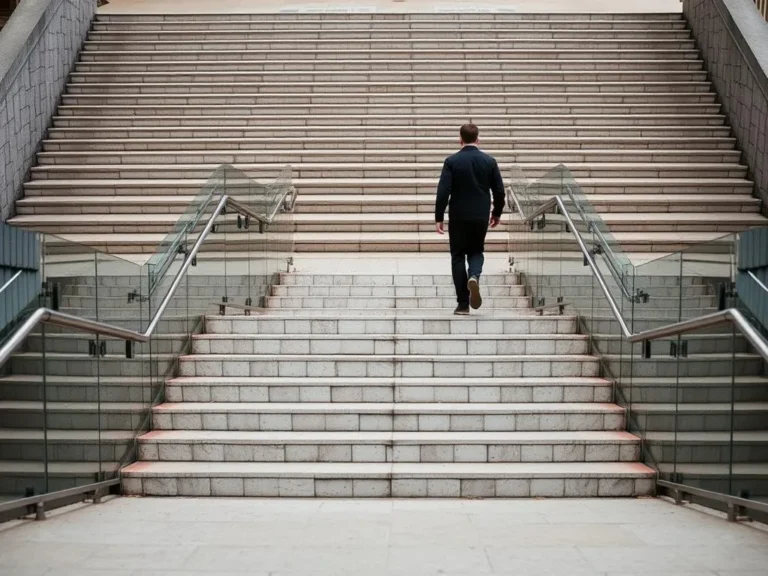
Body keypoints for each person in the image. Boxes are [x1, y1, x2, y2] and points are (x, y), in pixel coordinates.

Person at [434, 123, 505, 315]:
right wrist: (496, 212)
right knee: (476, 251)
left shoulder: (451, 161)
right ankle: (473, 275)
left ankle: (463, 304)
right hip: (479, 216)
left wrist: (439, 216)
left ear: (460, 139)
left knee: (457, 256)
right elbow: (499, 191)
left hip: (458, 216)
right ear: (478, 139)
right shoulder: (489, 161)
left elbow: (443, 192)